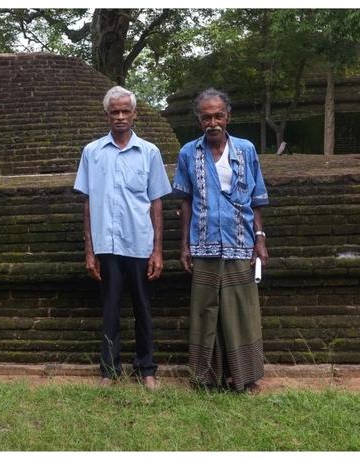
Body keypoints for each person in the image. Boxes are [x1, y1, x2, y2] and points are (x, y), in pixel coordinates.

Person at [74, 86, 172, 389]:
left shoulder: (150, 152)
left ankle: (146, 368)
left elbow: (156, 202)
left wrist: (158, 250)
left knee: (143, 308)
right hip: (108, 245)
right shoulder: (92, 152)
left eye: (125, 111)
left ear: (134, 114)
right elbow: (88, 203)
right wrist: (90, 250)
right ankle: (109, 370)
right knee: (110, 310)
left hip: (140, 244)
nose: (119, 117)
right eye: (114, 112)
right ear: (106, 115)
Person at [172, 88, 269, 393]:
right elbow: (185, 201)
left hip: (241, 241)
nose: (212, 122)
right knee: (206, 312)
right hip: (204, 242)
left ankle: (245, 377)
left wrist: (260, 239)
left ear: (228, 117)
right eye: (206, 117)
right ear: (199, 120)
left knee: (240, 313)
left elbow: (256, 199)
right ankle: (206, 378)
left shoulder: (246, 150)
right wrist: (184, 245)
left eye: (218, 116)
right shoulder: (189, 153)